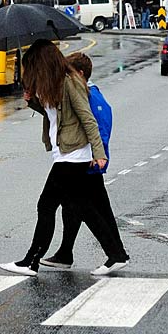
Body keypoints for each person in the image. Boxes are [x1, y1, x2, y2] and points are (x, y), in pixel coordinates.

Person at [1, 39, 129, 278]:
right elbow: (57, 116)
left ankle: (31, 261)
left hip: (73, 155)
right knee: (90, 207)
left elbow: (87, 117)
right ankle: (116, 254)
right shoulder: (55, 83)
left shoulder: (71, 81)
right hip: (66, 153)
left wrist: (99, 154)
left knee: (47, 205)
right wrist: (33, 102)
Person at [45, 52, 118, 270]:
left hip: (86, 162)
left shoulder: (91, 96)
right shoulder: (82, 92)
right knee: (75, 207)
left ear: (80, 73)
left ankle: (116, 254)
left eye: (69, 72)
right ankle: (66, 253)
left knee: (85, 209)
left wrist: (99, 156)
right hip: (84, 161)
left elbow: (99, 126)